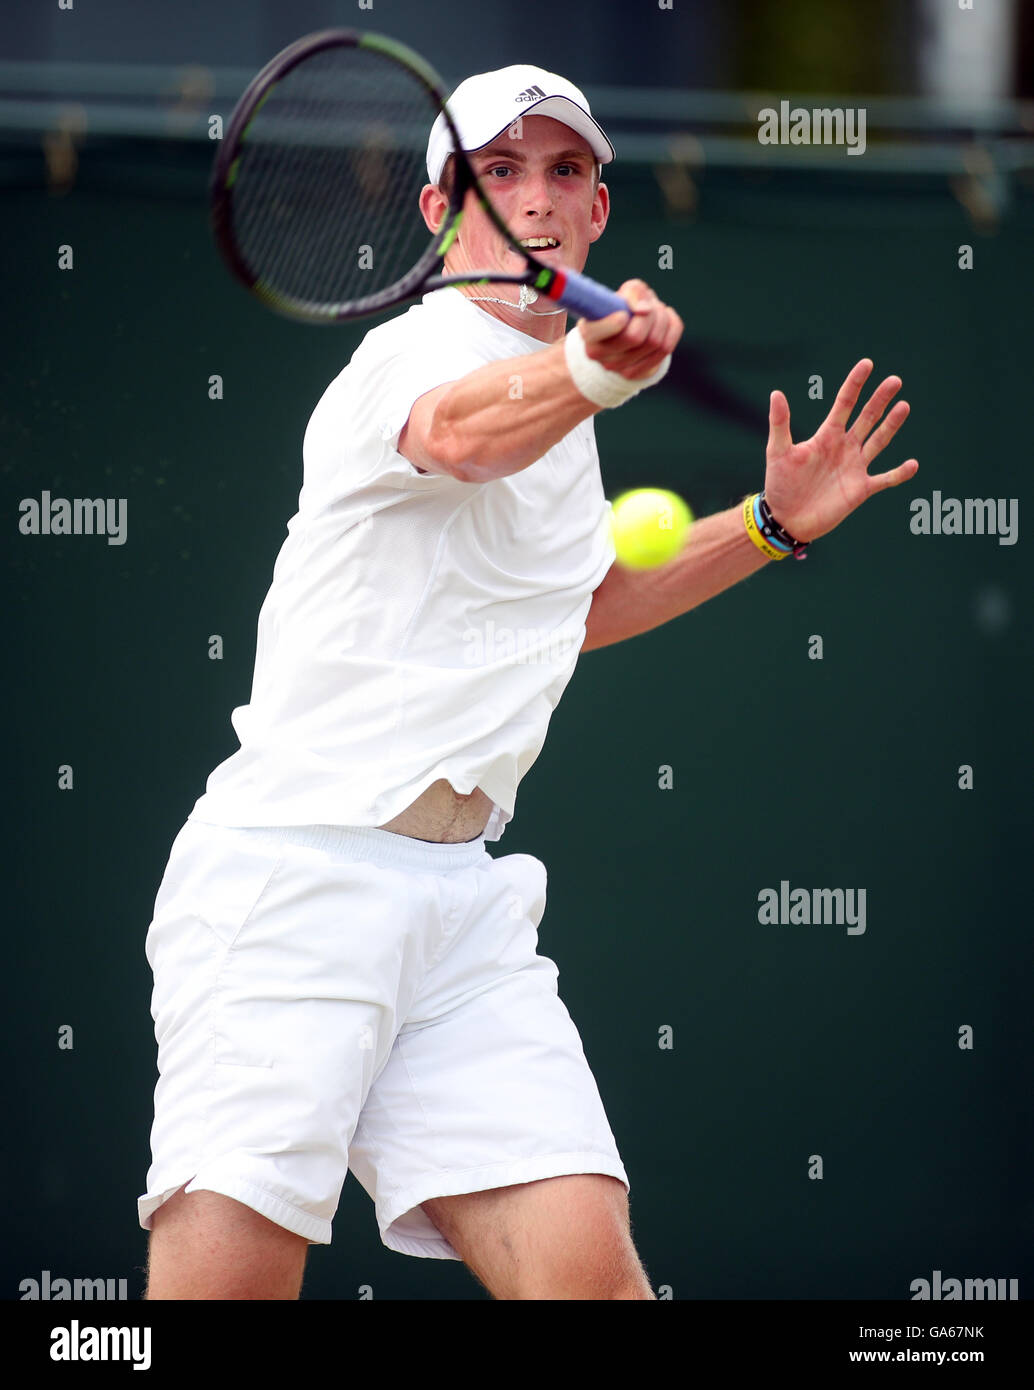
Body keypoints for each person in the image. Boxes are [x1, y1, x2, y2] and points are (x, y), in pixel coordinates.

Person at [138, 64, 917, 1301]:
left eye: (564, 172)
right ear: (445, 205)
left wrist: (766, 524)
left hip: (460, 908)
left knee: (591, 1285)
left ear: (599, 212)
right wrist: (595, 374)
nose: (535, 200)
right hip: (291, 886)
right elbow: (455, 432)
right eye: (499, 172)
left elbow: (580, 605)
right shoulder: (411, 359)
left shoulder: (556, 396)